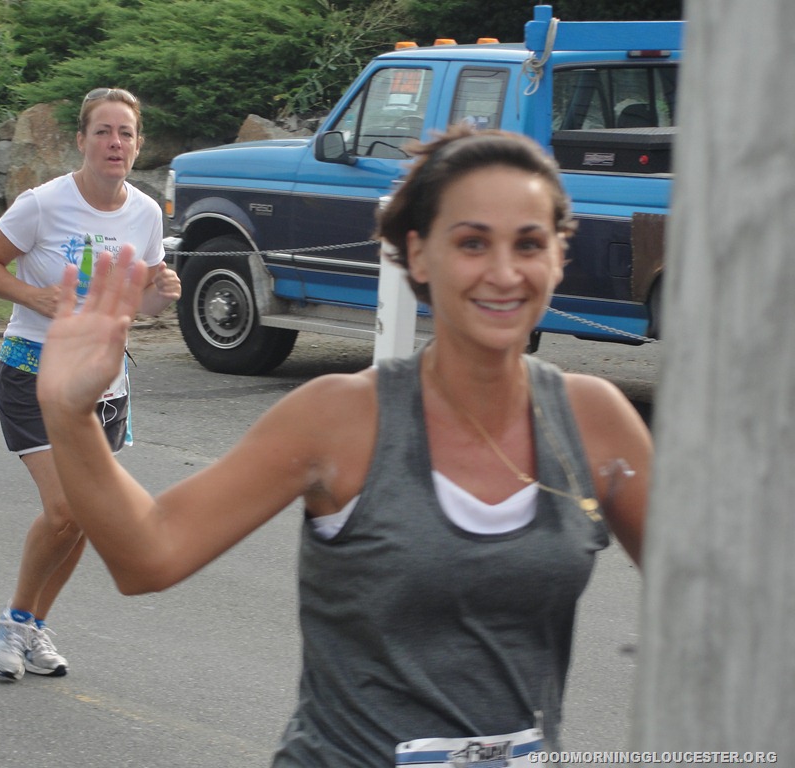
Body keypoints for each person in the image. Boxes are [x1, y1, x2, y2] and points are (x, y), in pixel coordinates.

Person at [33, 126, 652, 764]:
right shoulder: (341, 418)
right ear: (418, 254)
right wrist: (69, 415)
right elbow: (150, 554)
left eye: (529, 243)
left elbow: (707, 602)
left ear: (558, 255)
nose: (503, 272)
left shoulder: (595, 422)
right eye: (472, 242)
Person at [0, 86, 180, 681]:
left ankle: (33, 626)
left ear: (138, 145)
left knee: (85, 515)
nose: (115, 143)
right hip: (33, 369)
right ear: (81, 140)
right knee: (65, 507)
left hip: (103, 382)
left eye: (125, 133)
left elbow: (138, 301)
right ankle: (13, 622)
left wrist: (161, 295)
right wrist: (34, 296)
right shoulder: (42, 204)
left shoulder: (145, 213)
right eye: (103, 131)